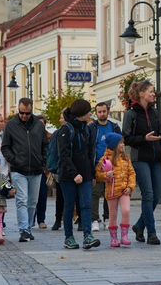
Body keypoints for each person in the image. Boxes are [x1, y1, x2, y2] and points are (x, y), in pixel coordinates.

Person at [123, 80, 161, 246]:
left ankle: (139, 225)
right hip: (140, 159)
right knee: (148, 195)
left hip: (156, 158)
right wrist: (144, 138)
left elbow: (160, 135)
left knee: (157, 196)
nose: (154, 94)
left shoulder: (155, 112)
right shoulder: (131, 114)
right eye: (151, 91)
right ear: (141, 94)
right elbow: (127, 138)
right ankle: (152, 233)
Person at [1, 97, 48, 243]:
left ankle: (27, 227)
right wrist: (14, 160)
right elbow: (5, 147)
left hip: (36, 169)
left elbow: (45, 145)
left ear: (31, 110)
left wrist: (43, 160)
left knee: (32, 201)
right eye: (21, 113)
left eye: (27, 113)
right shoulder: (10, 125)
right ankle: (23, 230)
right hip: (18, 169)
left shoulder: (39, 125)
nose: (24, 116)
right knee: (22, 199)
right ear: (18, 109)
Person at [58, 99, 100, 249]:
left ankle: (87, 236)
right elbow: (64, 155)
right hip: (68, 176)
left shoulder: (87, 129)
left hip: (86, 175)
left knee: (86, 205)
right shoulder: (66, 129)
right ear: (81, 113)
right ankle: (68, 238)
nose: (90, 113)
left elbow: (90, 153)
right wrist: (74, 173)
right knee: (69, 206)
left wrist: (92, 175)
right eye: (88, 111)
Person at [95, 133, 135, 247]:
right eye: (121, 143)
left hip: (124, 190)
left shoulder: (125, 159)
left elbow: (132, 173)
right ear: (114, 145)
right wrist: (106, 175)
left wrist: (130, 186)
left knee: (126, 211)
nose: (123, 145)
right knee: (112, 214)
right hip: (111, 191)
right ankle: (113, 238)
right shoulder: (105, 159)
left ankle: (124, 236)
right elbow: (98, 174)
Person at [88, 102, 122, 231]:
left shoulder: (114, 127)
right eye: (99, 112)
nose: (102, 114)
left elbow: (120, 144)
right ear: (96, 113)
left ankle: (108, 218)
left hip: (112, 164)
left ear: (108, 112)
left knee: (110, 192)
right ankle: (94, 220)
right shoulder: (92, 128)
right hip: (97, 163)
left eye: (104, 111)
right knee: (95, 193)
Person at [50, 110, 69, 231]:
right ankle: (58, 220)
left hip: (69, 167)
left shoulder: (71, 131)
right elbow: (53, 151)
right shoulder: (57, 133)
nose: (60, 120)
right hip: (60, 168)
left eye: (62, 118)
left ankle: (78, 219)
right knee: (60, 196)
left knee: (72, 196)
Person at [34, 115, 50, 229]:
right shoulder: (32, 136)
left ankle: (41, 220)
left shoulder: (49, 136)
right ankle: (31, 219)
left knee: (42, 196)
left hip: (45, 170)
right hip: (33, 169)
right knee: (32, 196)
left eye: (42, 124)